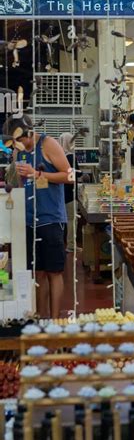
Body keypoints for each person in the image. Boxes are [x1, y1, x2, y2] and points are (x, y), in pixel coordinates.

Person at [3, 115, 72, 318]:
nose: (17, 147)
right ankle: (40, 318)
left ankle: (55, 320)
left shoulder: (48, 144)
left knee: (54, 272)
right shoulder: (19, 152)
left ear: (29, 134)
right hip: (28, 220)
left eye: (19, 141)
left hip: (51, 219)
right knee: (38, 273)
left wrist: (37, 174)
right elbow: (17, 183)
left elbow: (69, 175)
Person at [58, 132, 82, 253]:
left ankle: (62, 244)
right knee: (72, 219)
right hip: (70, 193)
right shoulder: (71, 157)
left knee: (63, 219)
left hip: (60, 193)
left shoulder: (58, 157)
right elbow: (75, 174)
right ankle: (71, 245)